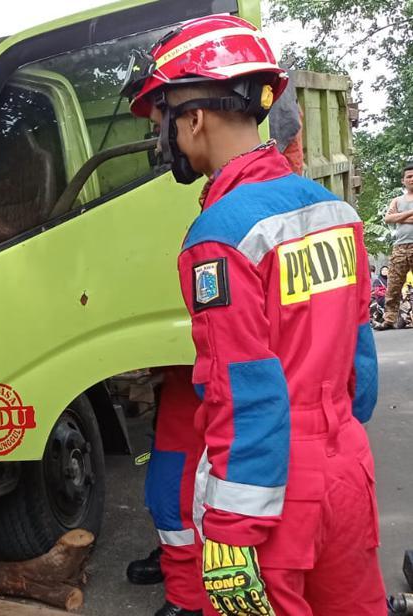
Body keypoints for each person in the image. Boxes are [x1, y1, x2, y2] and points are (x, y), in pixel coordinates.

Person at [126, 14, 383, 615]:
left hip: (271, 496)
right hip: (348, 470)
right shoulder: (333, 211)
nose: (161, 137)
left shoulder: (218, 236)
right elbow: (361, 368)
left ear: (194, 119)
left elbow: (244, 391)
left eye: (162, 119)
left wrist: (231, 535)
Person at [132, 367, 208, 616]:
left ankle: (188, 597)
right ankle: (177, 562)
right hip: (183, 373)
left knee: (172, 493)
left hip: (198, 376)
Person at [377, 163, 413, 330]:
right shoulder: (397, 200)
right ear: (403, 181)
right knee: (393, 284)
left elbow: (393, 218)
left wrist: (399, 217)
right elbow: (388, 219)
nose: (412, 179)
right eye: (409, 176)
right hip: (400, 247)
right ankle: (389, 319)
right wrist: (408, 215)